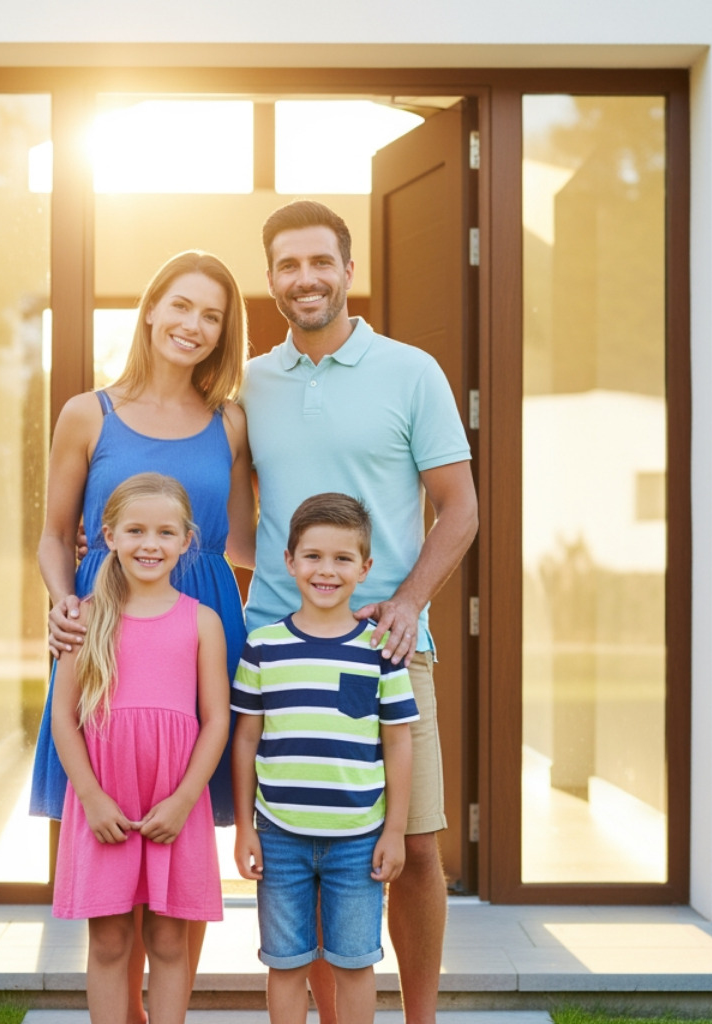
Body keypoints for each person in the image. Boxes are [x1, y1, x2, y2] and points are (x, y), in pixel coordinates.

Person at [242, 200, 477, 1024]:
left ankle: (419, 1020)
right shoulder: (251, 382)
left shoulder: (411, 372)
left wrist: (409, 600)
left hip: (386, 649)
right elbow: (231, 524)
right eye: (287, 265)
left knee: (413, 846)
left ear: (348, 270)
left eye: (320, 262)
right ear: (271, 278)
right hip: (278, 654)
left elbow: (460, 507)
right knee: (300, 847)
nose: (304, 278)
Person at [34, 250, 252, 1022]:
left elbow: (244, 541)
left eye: (212, 316)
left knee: (182, 851)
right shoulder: (87, 413)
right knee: (111, 839)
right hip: (104, 626)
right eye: (182, 305)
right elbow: (54, 534)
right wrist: (65, 603)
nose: (194, 325)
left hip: (203, 623)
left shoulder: (232, 421)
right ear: (151, 308)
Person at [51, 472, 230, 1024]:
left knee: (170, 940)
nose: (150, 544)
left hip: (174, 800)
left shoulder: (202, 621)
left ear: (186, 540)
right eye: (135, 530)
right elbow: (63, 720)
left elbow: (216, 720)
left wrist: (183, 801)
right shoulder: (84, 619)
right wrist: (91, 798)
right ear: (109, 536)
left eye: (165, 532)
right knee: (108, 941)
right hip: (105, 799)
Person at [232, 493, 417, 1024]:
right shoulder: (263, 647)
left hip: (358, 839)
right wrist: (244, 828)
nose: (326, 570)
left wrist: (394, 831)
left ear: (365, 568)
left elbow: (397, 742)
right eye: (312, 556)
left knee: (355, 964)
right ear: (289, 561)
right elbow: (246, 740)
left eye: (342, 558)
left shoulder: (381, 651)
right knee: (285, 963)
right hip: (279, 835)